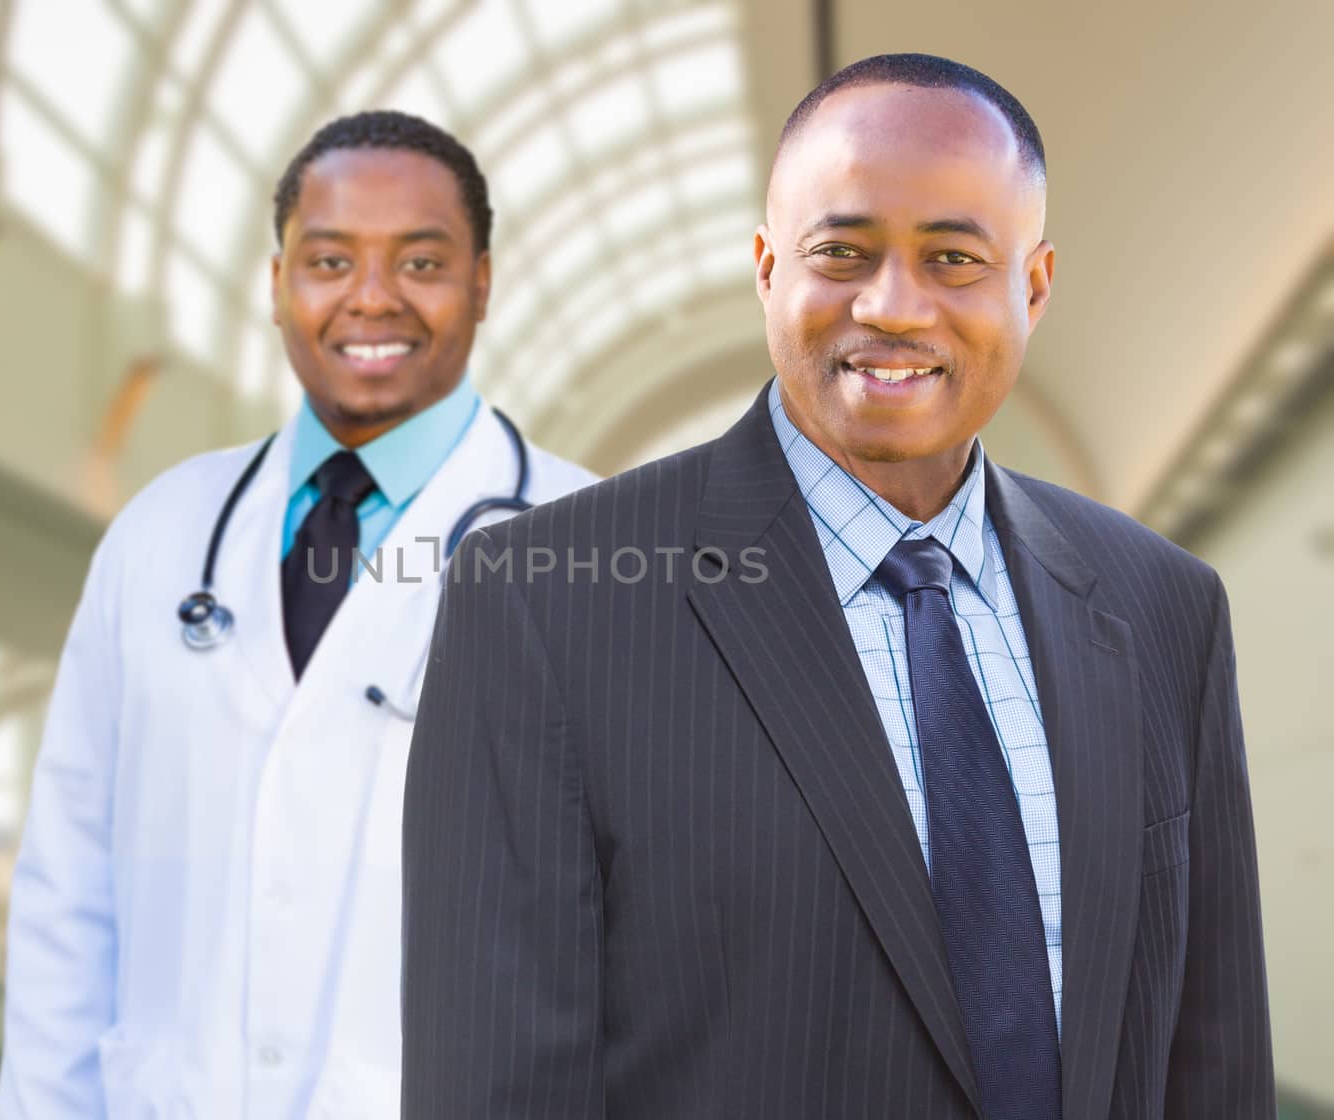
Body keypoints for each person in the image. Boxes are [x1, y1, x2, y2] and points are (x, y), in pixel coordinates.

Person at [401, 54, 1273, 1119]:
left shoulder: (1162, 608)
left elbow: (1209, 1055)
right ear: (768, 268)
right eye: (840, 251)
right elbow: (491, 1085)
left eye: (954, 257)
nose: (893, 305)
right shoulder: (538, 601)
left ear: (1032, 285)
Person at [0, 110, 596, 1118]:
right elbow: (68, 890)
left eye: (420, 261)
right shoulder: (157, 537)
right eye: (327, 260)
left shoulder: (592, 547)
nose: (370, 298)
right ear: (276, 285)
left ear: (481, 284)